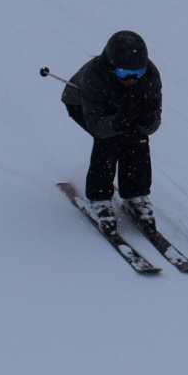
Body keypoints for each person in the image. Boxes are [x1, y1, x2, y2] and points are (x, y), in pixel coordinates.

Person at [61, 30, 162, 229]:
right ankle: (98, 198)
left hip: (123, 107)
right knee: (108, 140)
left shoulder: (150, 76)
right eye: (124, 73)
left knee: (138, 138)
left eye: (138, 73)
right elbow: (97, 126)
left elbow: (153, 124)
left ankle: (135, 195)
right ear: (111, 65)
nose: (131, 79)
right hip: (82, 105)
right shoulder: (94, 75)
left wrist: (146, 118)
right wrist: (118, 123)